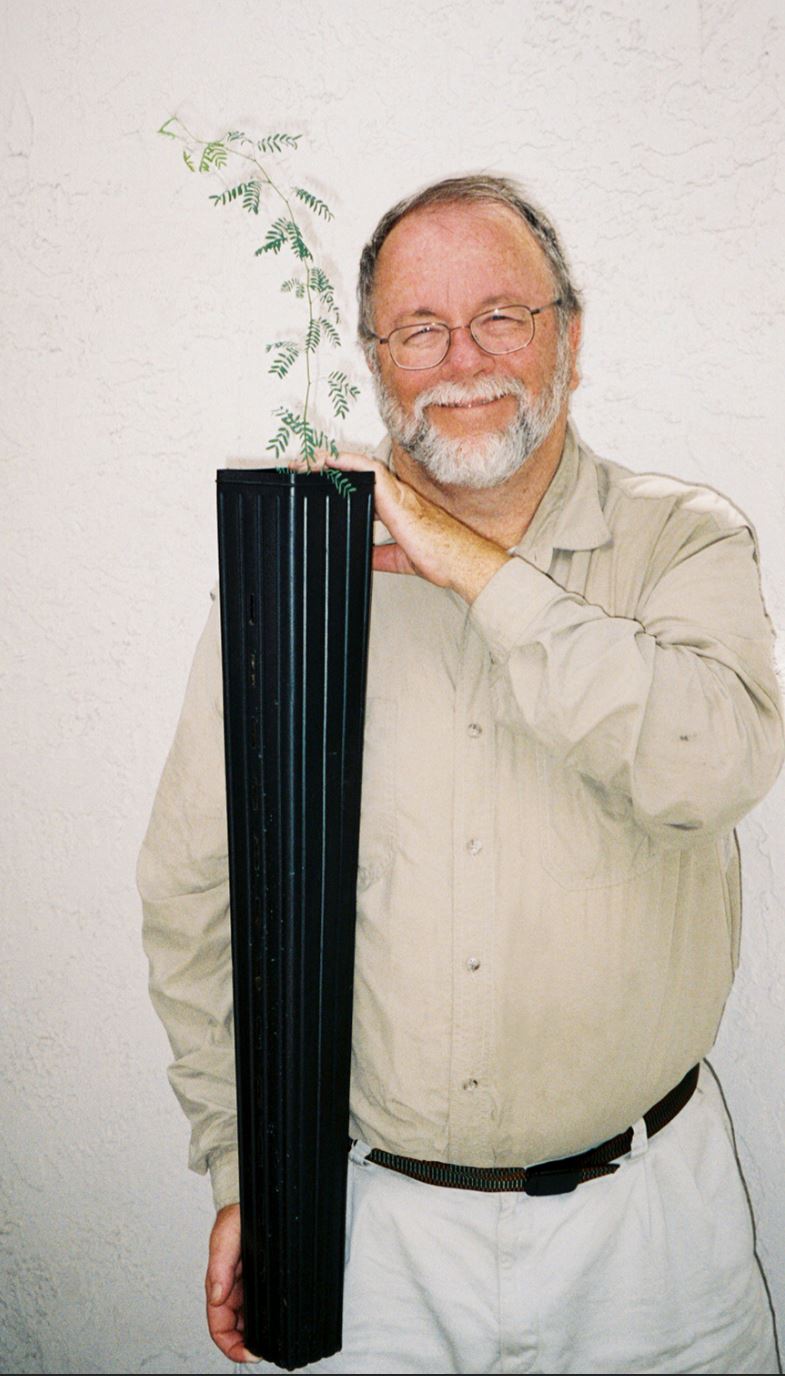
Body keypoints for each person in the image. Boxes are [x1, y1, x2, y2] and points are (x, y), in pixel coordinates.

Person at [139, 174, 784, 1374]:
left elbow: (715, 762)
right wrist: (246, 1168)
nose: (461, 357)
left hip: (650, 1234)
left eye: (502, 314)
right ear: (376, 361)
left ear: (569, 338)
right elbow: (196, 899)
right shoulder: (293, 574)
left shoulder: (682, 539)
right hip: (374, 1241)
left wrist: (473, 570)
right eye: (418, 328)